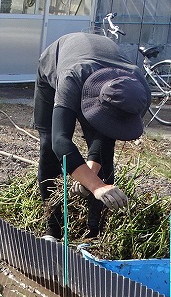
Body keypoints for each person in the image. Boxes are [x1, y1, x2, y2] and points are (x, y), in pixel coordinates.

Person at [34, 31, 150, 240]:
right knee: (49, 144)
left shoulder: (137, 89)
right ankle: (52, 228)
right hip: (58, 63)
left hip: (103, 70)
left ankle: (94, 233)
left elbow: (107, 135)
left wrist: (90, 172)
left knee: (104, 159)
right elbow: (61, 141)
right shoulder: (72, 77)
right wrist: (96, 186)